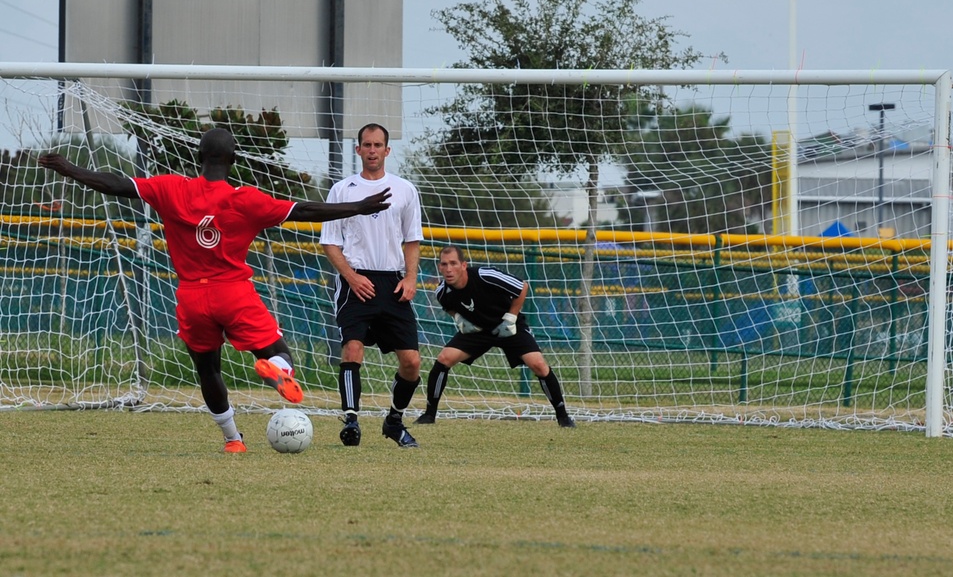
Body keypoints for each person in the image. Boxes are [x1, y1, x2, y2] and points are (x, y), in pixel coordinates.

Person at [38, 128, 391, 453]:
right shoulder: (246, 199)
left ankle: (233, 440)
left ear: (198, 158)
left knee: (208, 370)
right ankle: (278, 370)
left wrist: (70, 168)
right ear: (234, 161)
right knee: (278, 351)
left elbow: (116, 184)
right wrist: (357, 207)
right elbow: (305, 210)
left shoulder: (172, 188)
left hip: (192, 296)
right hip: (233, 293)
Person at [320, 123, 423, 448]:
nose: (373, 150)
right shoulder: (342, 190)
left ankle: (394, 421)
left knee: (412, 362)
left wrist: (410, 278)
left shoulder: (405, 189)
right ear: (359, 150)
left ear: (387, 150)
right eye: (367, 144)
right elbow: (330, 243)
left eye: (378, 144)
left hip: (393, 283)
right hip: (357, 281)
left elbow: (412, 240)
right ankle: (351, 421)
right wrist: (351, 276)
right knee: (352, 349)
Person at [416, 244, 575, 428]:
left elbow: (522, 287)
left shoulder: (486, 275)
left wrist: (511, 317)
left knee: (539, 365)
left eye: (453, 263)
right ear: (439, 267)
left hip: (507, 325)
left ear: (464, 265)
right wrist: (459, 318)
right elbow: (448, 306)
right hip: (478, 331)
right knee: (444, 359)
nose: (448, 269)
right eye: (444, 264)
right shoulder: (442, 291)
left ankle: (563, 416)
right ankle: (429, 415)